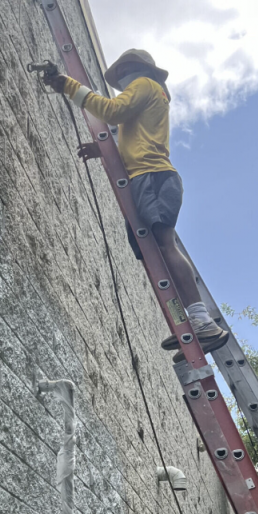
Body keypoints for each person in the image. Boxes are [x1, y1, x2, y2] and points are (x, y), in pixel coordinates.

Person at [45, 48, 229, 355]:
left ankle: (201, 319)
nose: (122, 79)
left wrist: (69, 85)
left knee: (164, 245)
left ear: (137, 69)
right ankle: (187, 322)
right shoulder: (147, 97)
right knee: (151, 252)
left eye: (124, 72)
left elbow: (112, 112)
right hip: (146, 176)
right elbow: (127, 133)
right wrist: (102, 148)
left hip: (154, 176)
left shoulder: (144, 84)